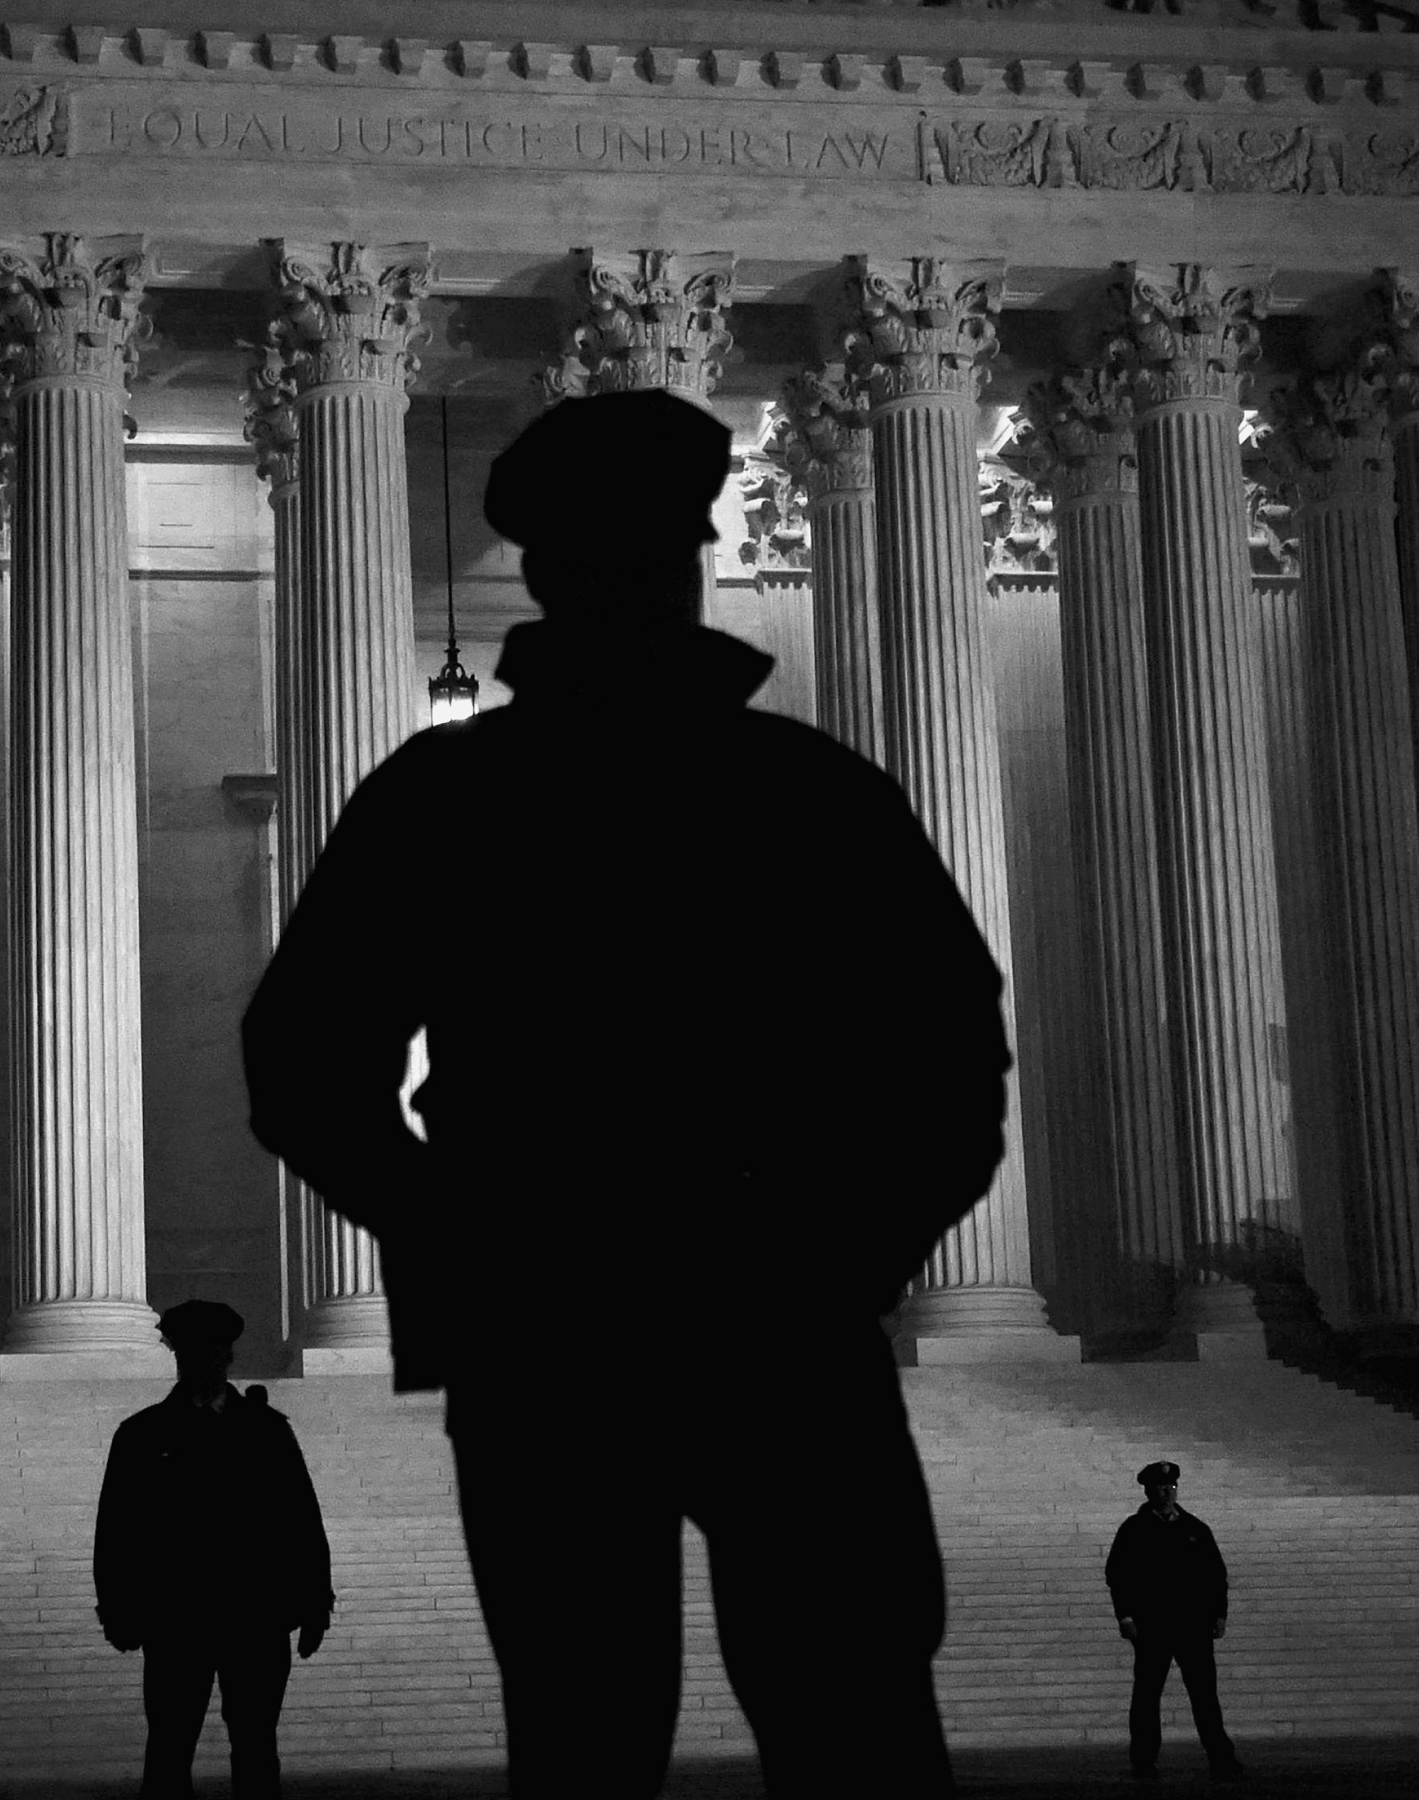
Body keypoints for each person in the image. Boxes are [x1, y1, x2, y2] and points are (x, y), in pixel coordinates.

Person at [241, 388, 1014, 1799]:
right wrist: (850, 1247)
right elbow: (953, 1059)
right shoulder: (807, 790)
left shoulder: (447, 796)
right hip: (767, 1300)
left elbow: (303, 1068)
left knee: (590, 1730)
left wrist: (463, 1230)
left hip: (564, 1318)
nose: (654, 579)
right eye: (651, 551)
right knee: (846, 1722)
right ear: (687, 558)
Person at [93, 1299, 334, 1799]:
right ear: (179, 1358)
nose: (204, 1361)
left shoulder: (267, 1431)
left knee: (256, 1749)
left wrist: (315, 1605)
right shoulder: (140, 1436)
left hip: (254, 1617)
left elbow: (301, 1521)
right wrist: (118, 1610)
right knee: (169, 1750)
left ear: (227, 1356)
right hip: (178, 1619)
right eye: (193, 1352)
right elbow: (117, 1531)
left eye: (212, 1351)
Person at [1105, 1460, 1245, 1783]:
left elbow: (1216, 1576)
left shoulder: (1195, 1528)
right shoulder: (1133, 1529)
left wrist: (1219, 1614)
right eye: (1159, 1488)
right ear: (1148, 1491)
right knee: (1146, 1697)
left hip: (1192, 1627)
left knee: (1205, 1696)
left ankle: (1222, 1758)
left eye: (1170, 1488)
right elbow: (1118, 1575)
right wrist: (1125, 1615)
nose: (1166, 1493)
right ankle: (1143, 1760)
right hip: (1152, 1626)